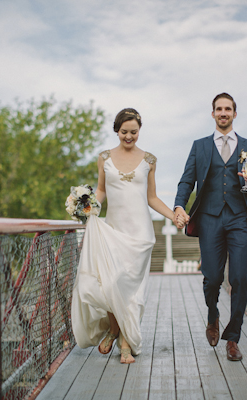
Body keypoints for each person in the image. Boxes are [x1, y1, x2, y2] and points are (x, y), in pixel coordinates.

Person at [71, 108, 177, 364]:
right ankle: (114, 328)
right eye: (124, 132)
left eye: (134, 132)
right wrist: (84, 207)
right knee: (110, 283)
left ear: (139, 130)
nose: (129, 137)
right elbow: (100, 190)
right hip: (113, 230)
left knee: (133, 290)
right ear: (116, 130)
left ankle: (126, 343)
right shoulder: (104, 158)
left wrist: (173, 216)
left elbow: (151, 198)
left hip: (141, 233)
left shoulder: (150, 160)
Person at [173, 93, 247, 361]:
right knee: (212, 278)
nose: (223, 112)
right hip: (210, 218)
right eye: (219, 109)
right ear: (212, 114)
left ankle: (233, 338)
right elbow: (186, 181)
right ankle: (213, 314)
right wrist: (179, 206)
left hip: (238, 219)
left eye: (228, 109)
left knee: (241, 278)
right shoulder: (200, 146)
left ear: (235, 114)